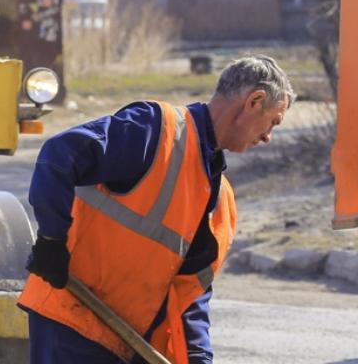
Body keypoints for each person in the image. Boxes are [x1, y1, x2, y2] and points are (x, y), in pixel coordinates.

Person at [18, 56, 294, 364]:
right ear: (254, 101)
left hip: (128, 343)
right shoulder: (155, 129)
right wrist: (52, 242)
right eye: (273, 122)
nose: (268, 136)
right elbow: (60, 155)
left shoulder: (220, 198)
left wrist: (198, 357)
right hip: (71, 322)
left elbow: (191, 293)